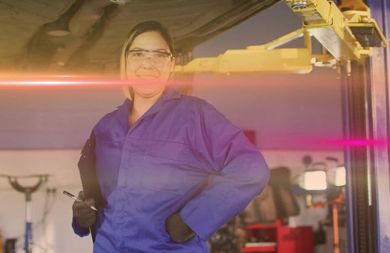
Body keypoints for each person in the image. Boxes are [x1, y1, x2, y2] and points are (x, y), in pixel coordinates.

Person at [72, 20, 270, 253]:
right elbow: (103, 196)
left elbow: (252, 170)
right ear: (125, 62)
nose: (147, 63)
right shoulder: (105, 127)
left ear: (171, 64)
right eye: (138, 54)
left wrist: (192, 219)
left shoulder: (194, 116)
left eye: (159, 55)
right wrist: (81, 217)